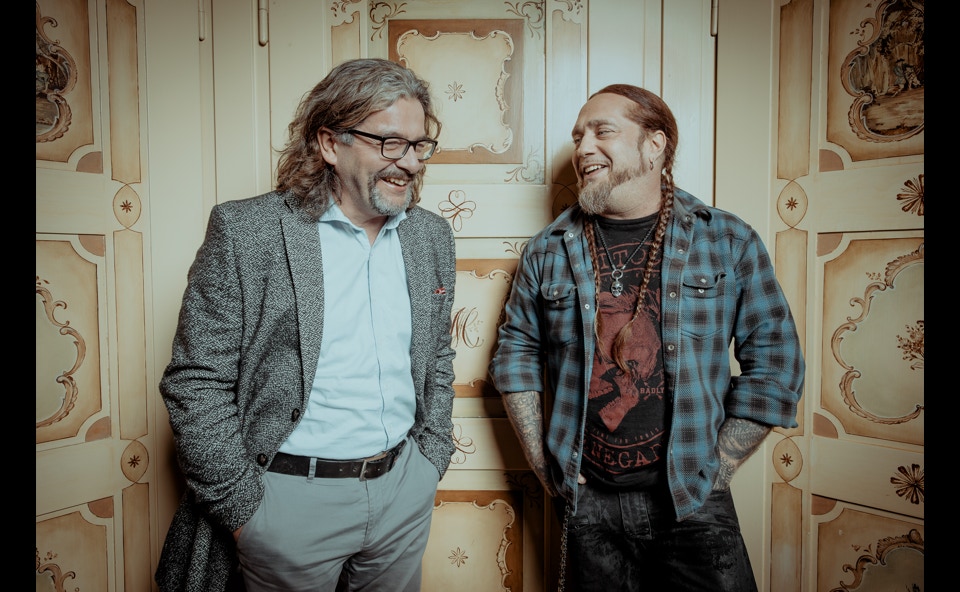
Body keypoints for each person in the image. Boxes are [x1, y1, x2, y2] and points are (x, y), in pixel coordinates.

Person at [156, 58, 457, 592]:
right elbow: (196, 381)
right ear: (329, 143)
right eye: (390, 143)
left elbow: (436, 356)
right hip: (288, 502)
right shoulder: (247, 230)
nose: (409, 162)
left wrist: (429, 460)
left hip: (402, 491)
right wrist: (244, 510)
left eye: (418, 145)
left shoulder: (430, 236)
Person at [489, 84, 805, 591]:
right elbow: (516, 354)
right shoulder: (548, 250)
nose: (584, 147)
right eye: (578, 136)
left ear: (655, 144)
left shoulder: (725, 239)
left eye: (602, 131)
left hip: (692, 501)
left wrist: (718, 469)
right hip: (587, 502)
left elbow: (776, 360)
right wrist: (542, 462)